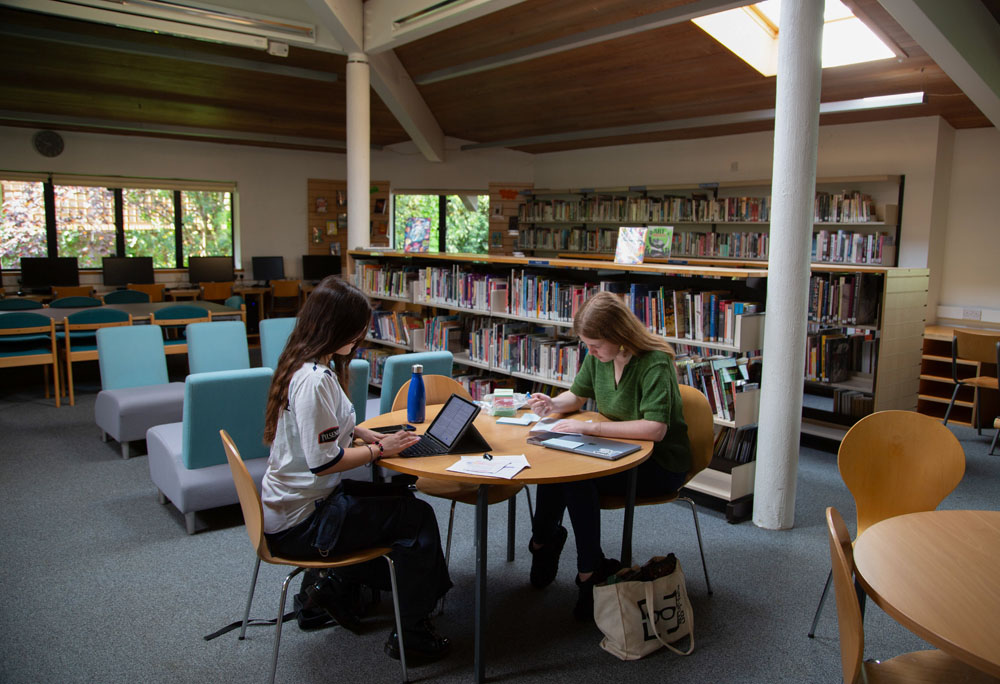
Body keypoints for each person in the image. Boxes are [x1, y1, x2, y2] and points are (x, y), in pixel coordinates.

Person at [260, 276, 452, 664]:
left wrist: (369, 434)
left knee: (400, 500)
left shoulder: (307, 365)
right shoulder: (314, 381)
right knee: (415, 518)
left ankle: (336, 587)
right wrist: (379, 449)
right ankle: (411, 635)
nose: (362, 336)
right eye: (358, 329)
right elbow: (325, 461)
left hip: (298, 507)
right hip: (304, 525)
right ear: (337, 327)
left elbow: (328, 431)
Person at [524, 291, 693, 620]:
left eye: (596, 345)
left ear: (619, 336)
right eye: (587, 344)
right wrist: (551, 405)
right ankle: (547, 543)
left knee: (575, 480)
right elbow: (576, 395)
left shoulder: (653, 361)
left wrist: (590, 429)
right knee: (556, 468)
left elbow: (655, 429)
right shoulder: (598, 356)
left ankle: (587, 571)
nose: (591, 351)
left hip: (656, 462)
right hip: (614, 449)